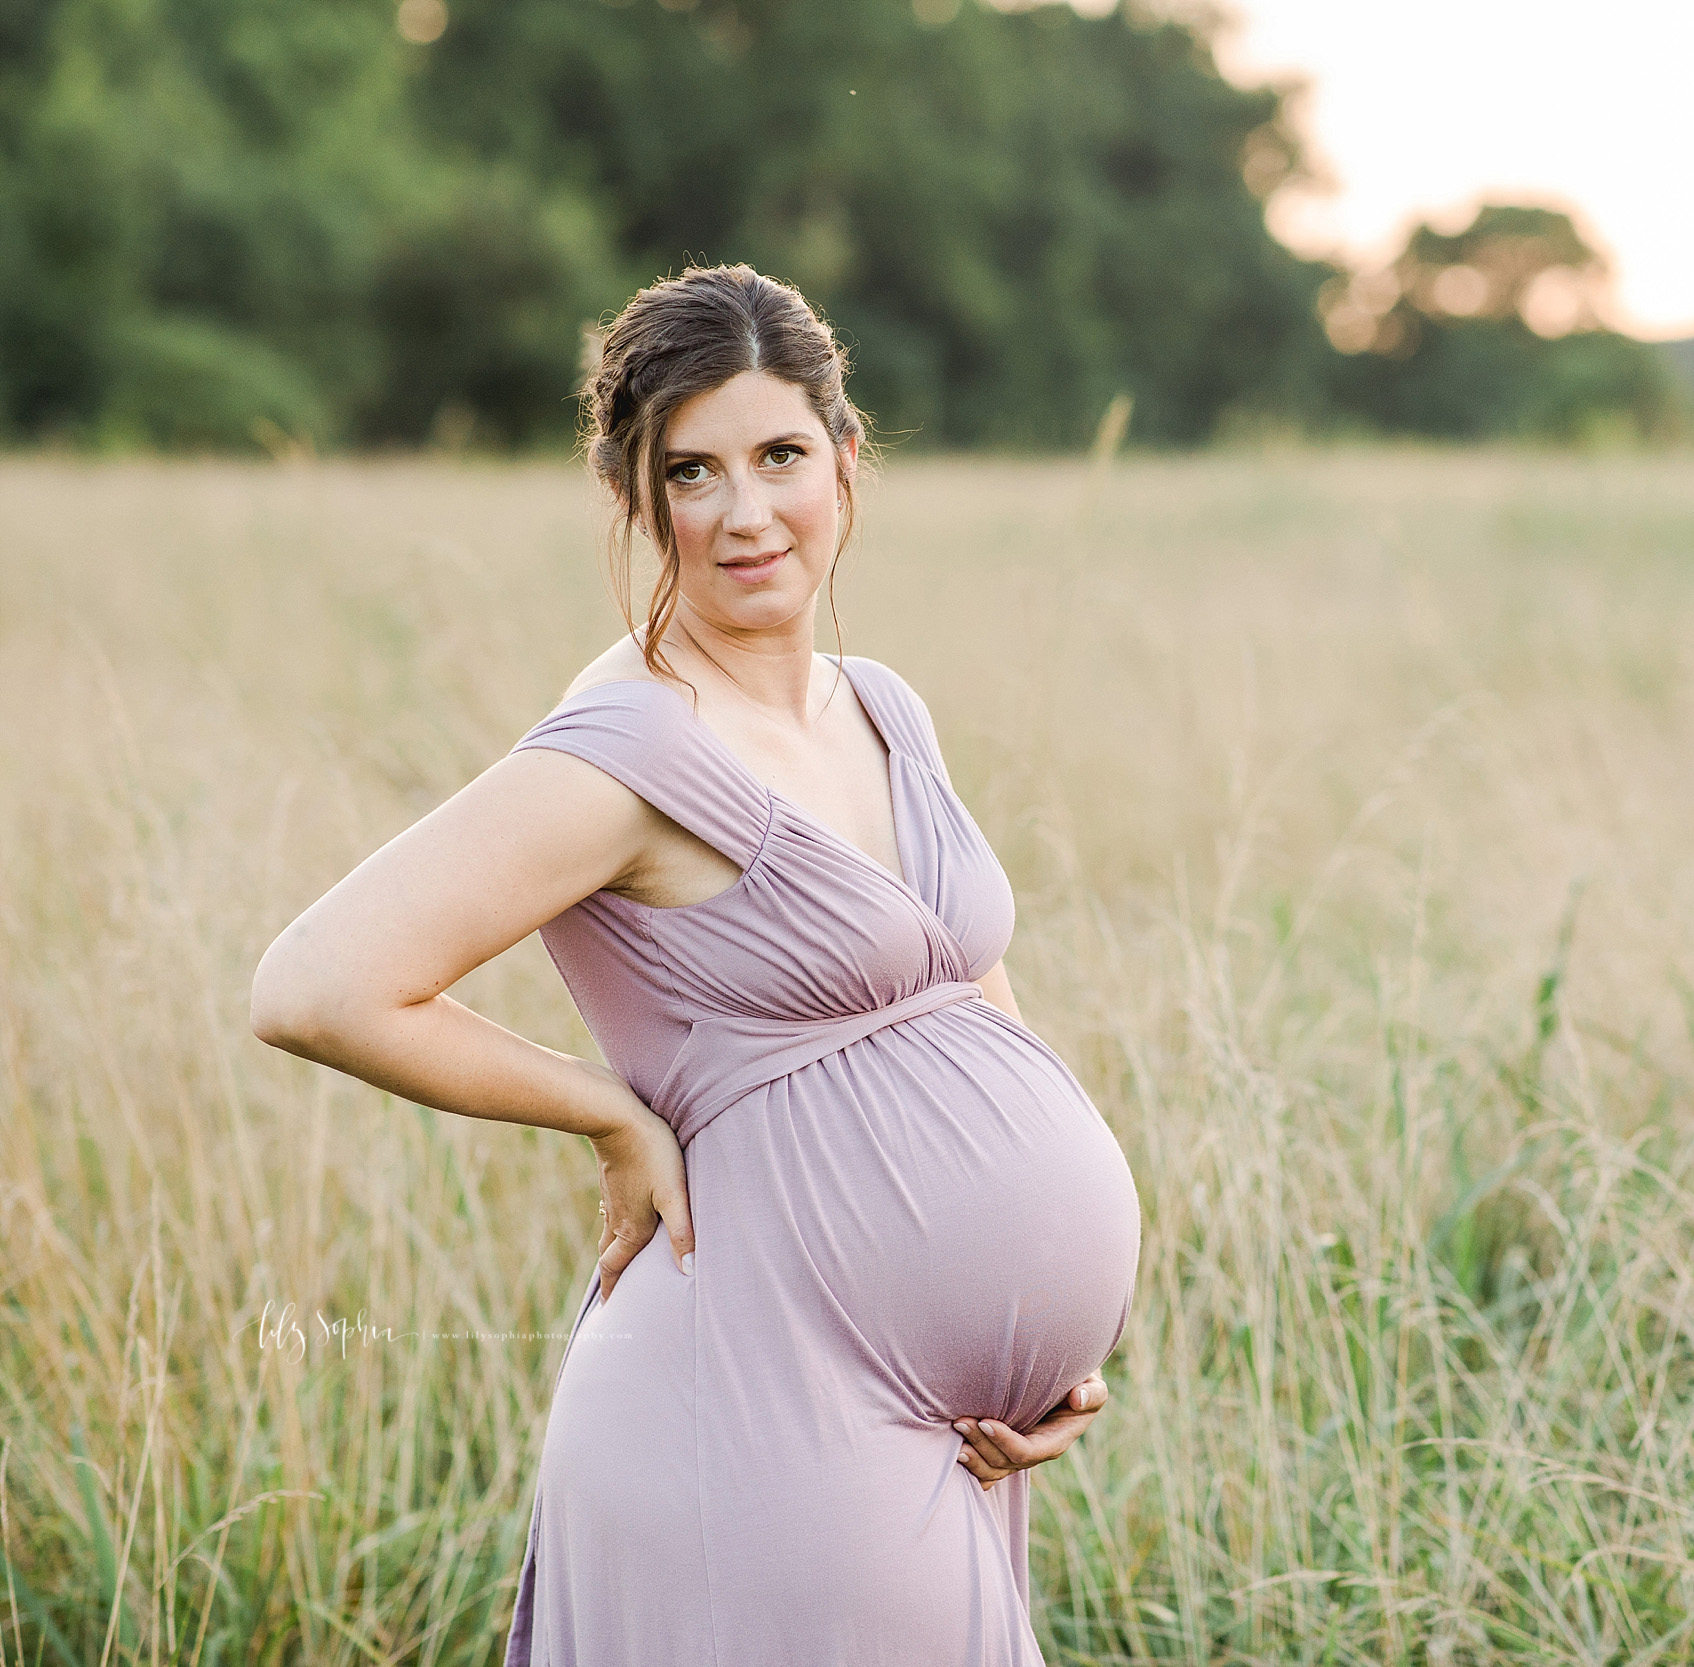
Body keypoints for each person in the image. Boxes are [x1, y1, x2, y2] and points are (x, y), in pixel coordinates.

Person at [249, 263, 1143, 1664]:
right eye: (693, 471)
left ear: (847, 463)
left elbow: (965, 997)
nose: (745, 512)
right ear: (637, 496)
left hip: (946, 1424)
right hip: (761, 1398)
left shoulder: (885, 710)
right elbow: (313, 984)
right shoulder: (631, 752)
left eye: (781, 454)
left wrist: (1049, 1340)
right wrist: (611, 1112)